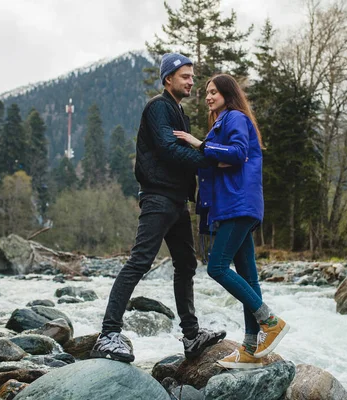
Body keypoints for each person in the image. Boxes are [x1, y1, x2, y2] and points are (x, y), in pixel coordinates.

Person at [90, 53, 226, 363]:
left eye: (192, 77)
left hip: (178, 201)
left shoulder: (179, 112)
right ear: (168, 79)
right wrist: (211, 160)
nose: (191, 81)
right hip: (158, 197)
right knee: (139, 261)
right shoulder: (158, 108)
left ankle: (191, 337)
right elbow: (168, 149)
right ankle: (108, 334)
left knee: (186, 265)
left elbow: (183, 151)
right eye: (185, 77)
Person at [173, 74, 289, 369]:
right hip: (235, 205)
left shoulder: (235, 117)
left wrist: (200, 144)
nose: (208, 97)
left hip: (238, 205)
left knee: (217, 267)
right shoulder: (222, 123)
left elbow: (237, 154)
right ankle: (251, 348)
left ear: (227, 93)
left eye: (213, 92)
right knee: (249, 275)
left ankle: (270, 322)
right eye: (206, 93)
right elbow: (223, 160)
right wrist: (210, 154)